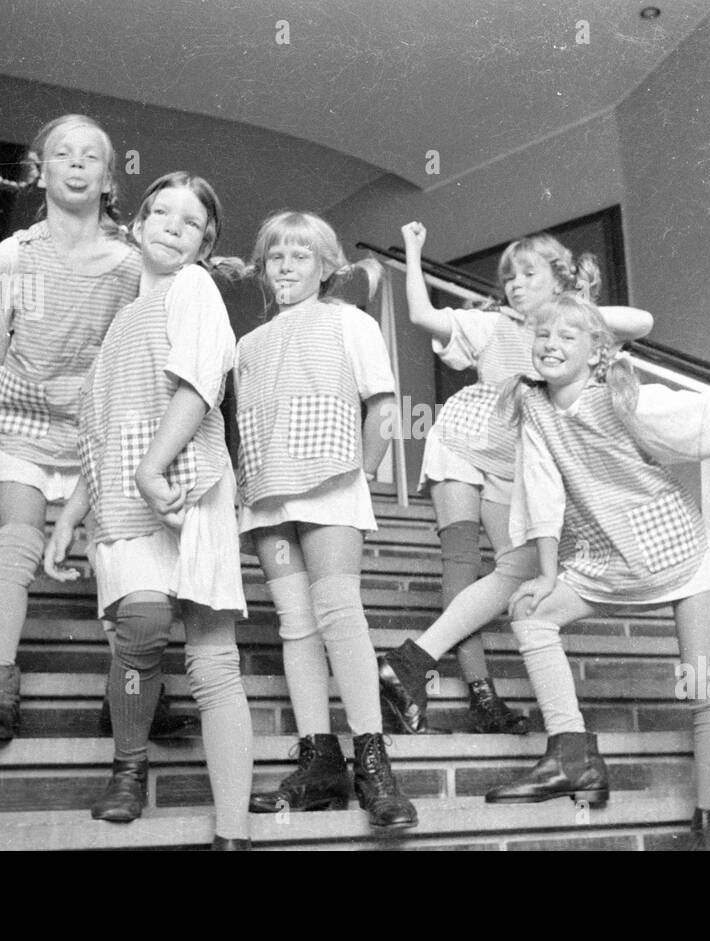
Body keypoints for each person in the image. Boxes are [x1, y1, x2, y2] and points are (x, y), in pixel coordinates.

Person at [491, 294, 710, 850]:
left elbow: (709, 408)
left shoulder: (621, 399)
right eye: (543, 336)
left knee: (706, 688)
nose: (550, 345)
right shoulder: (536, 409)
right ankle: (572, 754)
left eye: (569, 337)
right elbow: (543, 495)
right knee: (533, 618)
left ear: (597, 354)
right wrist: (545, 574)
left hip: (677, 554)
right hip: (606, 558)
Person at [44, 172, 252, 849]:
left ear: (205, 242)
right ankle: (129, 769)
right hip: (127, 499)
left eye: (189, 222)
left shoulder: (195, 289)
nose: (170, 225)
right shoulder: (120, 322)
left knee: (214, 659)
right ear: (137, 222)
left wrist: (152, 465)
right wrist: (74, 508)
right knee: (140, 619)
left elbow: (198, 385)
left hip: (189, 489)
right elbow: (104, 430)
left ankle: (234, 830)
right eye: (160, 211)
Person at [378, 224, 654, 734]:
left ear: (559, 280)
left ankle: (412, 662)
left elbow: (642, 320)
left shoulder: (566, 333)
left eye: (530, 274)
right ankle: (480, 695)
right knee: (462, 559)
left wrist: (568, 312)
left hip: (516, 456)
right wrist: (415, 251)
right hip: (463, 440)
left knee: (516, 567)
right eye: (509, 277)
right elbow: (421, 314)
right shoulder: (489, 325)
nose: (516, 285)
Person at [0, 114, 153, 742]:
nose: (75, 163)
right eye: (62, 154)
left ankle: (130, 686)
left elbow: (138, 356)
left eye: (90, 156)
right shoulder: (12, 255)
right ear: (39, 171)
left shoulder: (132, 265)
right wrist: (29, 393)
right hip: (22, 424)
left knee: (115, 552)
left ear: (107, 178)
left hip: (96, 436)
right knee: (17, 540)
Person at [236, 211, 416, 830]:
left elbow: (384, 409)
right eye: (277, 257)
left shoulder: (350, 322)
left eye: (302, 256)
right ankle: (319, 761)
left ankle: (373, 761)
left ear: (327, 267)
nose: (288, 266)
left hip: (331, 485)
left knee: (339, 613)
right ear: (263, 269)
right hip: (266, 496)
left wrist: (363, 476)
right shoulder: (248, 345)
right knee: (295, 624)